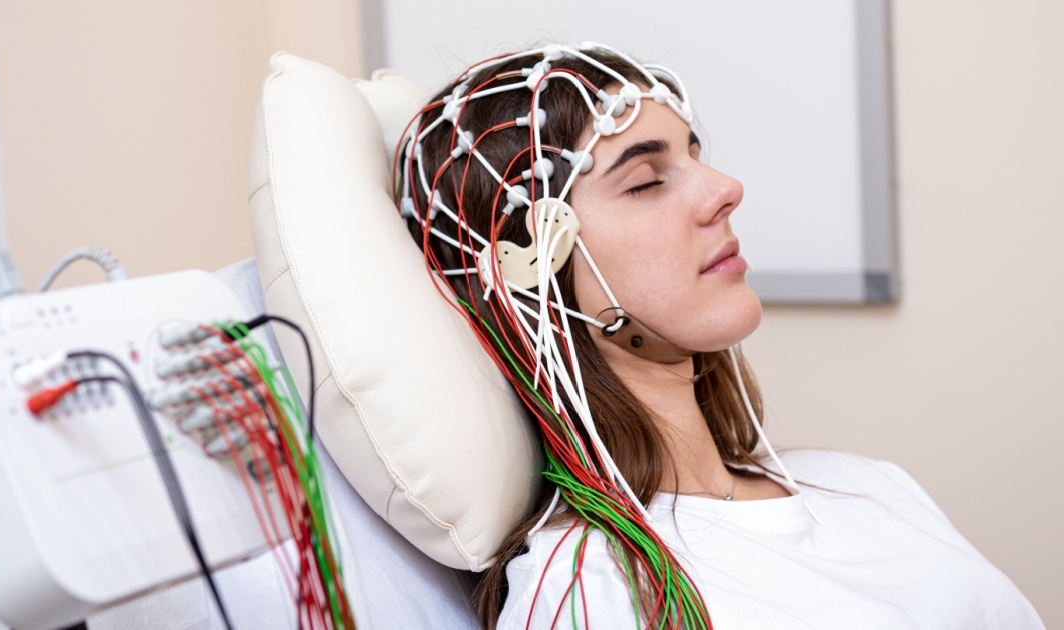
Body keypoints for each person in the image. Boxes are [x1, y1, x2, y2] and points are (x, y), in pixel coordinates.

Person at [395, 44, 1044, 629]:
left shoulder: (868, 486)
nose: (726, 190)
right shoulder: (593, 590)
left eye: (696, 156)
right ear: (528, 263)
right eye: (646, 182)